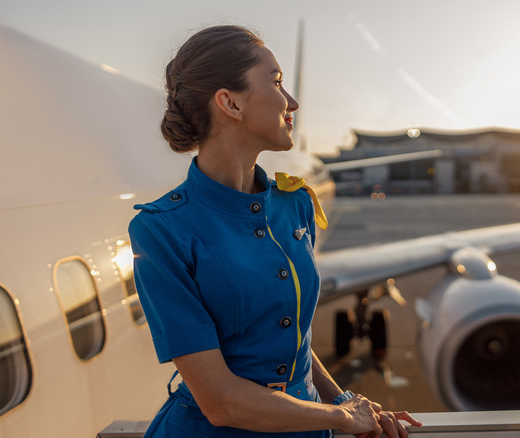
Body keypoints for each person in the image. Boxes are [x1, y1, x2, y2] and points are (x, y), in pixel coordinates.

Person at [129, 25, 421, 438]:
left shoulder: (294, 204)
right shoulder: (162, 231)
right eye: (277, 82)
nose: (293, 102)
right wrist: (338, 418)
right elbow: (220, 401)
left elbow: (292, 338)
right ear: (230, 103)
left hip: (307, 427)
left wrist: (341, 400)